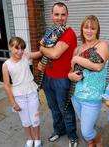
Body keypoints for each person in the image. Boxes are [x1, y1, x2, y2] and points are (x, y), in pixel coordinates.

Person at [37, 2, 78, 146]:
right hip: (48, 77)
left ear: (67, 15)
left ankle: (72, 136)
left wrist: (41, 48)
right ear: (52, 15)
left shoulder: (69, 33)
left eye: (63, 14)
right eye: (56, 14)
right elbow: (42, 49)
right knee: (53, 108)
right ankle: (59, 130)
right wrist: (34, 55)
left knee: (65, 109)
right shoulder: (51, 31)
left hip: (62, 79)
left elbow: (54, 53)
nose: (60, 18)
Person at [68, 15, 109, 147]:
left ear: (97, 30)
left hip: (92, 98)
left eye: (93, 28)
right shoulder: (78, 49)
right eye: (86, 27)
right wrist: (71, 76)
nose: (89, 31)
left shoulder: (102, 45)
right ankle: (91, 143)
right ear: (82, 29)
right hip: (76, 96)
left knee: (86, 131)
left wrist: (76, 59)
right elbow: (71, 71)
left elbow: (98, 66)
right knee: (87, 125)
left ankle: (98, 140)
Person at [2, 37, 43, 147]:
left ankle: (37, 139)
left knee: (35, 119)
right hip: (18, 96)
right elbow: (6, 85)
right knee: (25, 121)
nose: (20, 51)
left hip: (31, 93)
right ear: (10, 47)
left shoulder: (25, 56)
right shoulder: (6, 65)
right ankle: (30, 139)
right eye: (16, 48)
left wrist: (46, 44)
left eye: (22, 49)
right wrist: (13, 103)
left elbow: (39, 53)